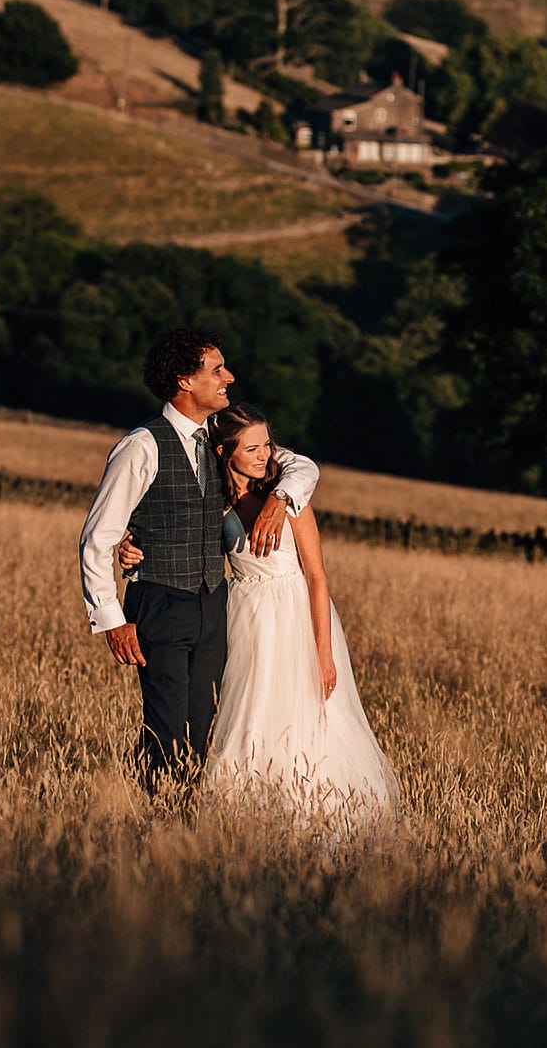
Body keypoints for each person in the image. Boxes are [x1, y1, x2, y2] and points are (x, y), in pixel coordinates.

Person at [119, 403, 399, 826]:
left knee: (303, 715)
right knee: (244, 713)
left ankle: (311, 812)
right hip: (243, 614)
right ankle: (242, 812)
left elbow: (317, 579)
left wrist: (324, 654)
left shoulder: (288, 497)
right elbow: (176, 538)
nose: (265, 455)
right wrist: (133, 549)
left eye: (267, 444)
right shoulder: (212, 503)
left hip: (293, 616)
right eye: (252, 448)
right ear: (222, 452)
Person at [78, 327, 319, 790]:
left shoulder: (220, 438)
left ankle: (191, 824)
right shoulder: (141, 446)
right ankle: (161, 824)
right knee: (166, 727)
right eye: (216, 370)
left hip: (214, 605)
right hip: (161, 602)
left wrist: (278, 500)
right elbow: (97, 536)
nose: (229, 377)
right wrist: (110, 619)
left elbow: (302, 465)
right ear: (185, 381)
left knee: (206, 726)